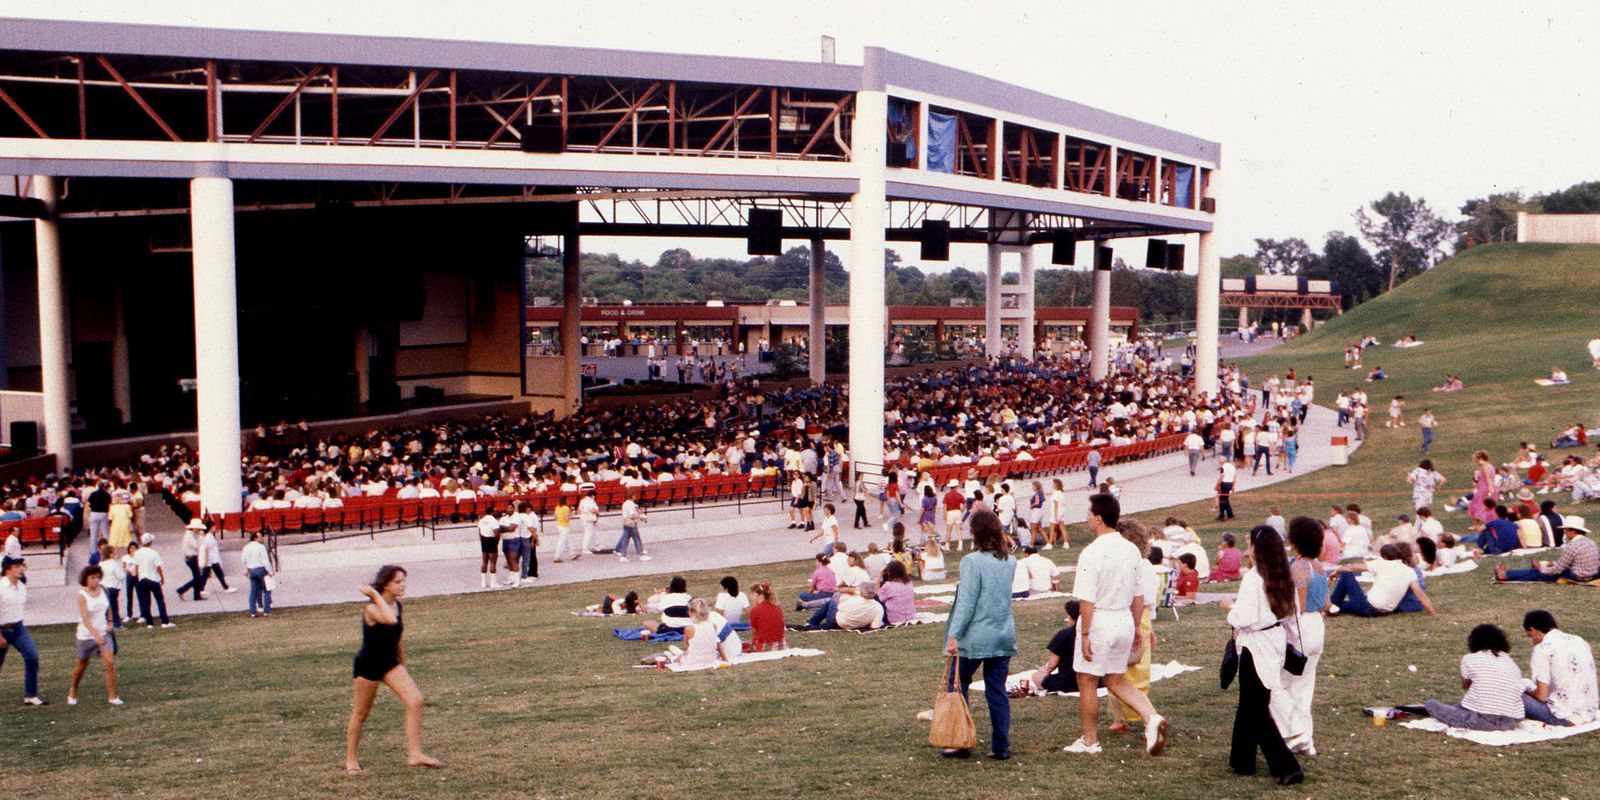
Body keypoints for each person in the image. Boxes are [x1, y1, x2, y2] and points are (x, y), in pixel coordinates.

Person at [1064, 494, 1168, 757]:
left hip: (1100, 620)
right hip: (1123, 619)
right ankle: (1151, 717)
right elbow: (1138, 596)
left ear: (1098, 518)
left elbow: (1086, 600)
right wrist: (1134, 628)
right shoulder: (1131, 549)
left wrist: (1085, 632)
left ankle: (1090, 741)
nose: (1087, 517)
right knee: (1115, 679)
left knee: (1086, 680)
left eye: (1089, 513)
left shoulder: (1091, 552)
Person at [1220, 526, 1302, 785]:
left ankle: (1287, 766)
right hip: (1273, 640)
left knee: (1257, 709)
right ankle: (1241, 759)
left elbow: (1244, 618)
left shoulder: (1254, 579)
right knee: (1249, 702)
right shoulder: (1282, 576)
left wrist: (1229, 608)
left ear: (1258, 548)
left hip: (1256, 646)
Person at [345, 565, 441, 774]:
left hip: (390, 662)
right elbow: (389, 620)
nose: (403, 585)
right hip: (368, 664)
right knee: (361, 713)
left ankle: (415, 754)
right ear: (386, 585)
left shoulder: (397, 605)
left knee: (415, 700)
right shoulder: (372, 608)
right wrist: (373, 594)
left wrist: (402, 661)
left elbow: (397, 635)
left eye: (404, 580)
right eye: (398, 582)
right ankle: (351, 759)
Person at [941, 511, 1017, 760]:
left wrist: (954, 635)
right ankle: (1000, 746)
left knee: (957, 684)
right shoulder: (1009, 561)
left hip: (976, 635)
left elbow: (967, 603)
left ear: (974, 532)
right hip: (1002, 632)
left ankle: (959, 740)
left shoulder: (972, 562)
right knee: (997, 690)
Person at [1271, 517, 1329, 757]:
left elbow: (1298, 607)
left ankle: (1293, 735)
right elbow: (1326, 603)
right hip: (1317, 625)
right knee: (1305, 686)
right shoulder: (1319, 566)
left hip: (1301, 627)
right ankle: (1307, 739)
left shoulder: (1299, 566)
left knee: (1284, 683)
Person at [1424, 624, 1526, 731]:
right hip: (1510, 722)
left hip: (1480, 720)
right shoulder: (1511, 663)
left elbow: (1465, 686)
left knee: (1431, 704)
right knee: (1459, 706)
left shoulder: (1470, 659)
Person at [1521, 610, 1599, 726]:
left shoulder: (1542, 649)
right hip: (1587, 713)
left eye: (1530, 636)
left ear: (1533, 630)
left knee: (1513, 692)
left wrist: (1528, 691)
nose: (1532, 641)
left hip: (1563, 716)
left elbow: (1541, 696)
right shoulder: (1579, 640)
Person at [1327, 544, 1438, 617]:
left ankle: (1331, 606)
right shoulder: (1410, 571)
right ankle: (1332, 606)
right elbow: (1420, 593)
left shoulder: (1382, 563)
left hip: (1367, 607)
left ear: (1384, 556)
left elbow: (1352, 567)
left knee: (1346, 575)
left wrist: (1337, 571)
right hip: (1381, 612)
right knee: (1342, 605)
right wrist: (1433, 612)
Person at [67, 565, 121, 706]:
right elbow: (85, 618)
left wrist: (110, 622)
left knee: (110, 663)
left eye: (97, 577)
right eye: (92, 578)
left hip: (104, 633)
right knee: (82, 665)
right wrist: (95, 635)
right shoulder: (82, 595)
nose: (95, 581)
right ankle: (73, 689)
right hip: (86, 635)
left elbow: (109, 607)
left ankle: (112, 696)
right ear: (85, 579)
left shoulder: (104, 590)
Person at [1495, 516, 1599, 583]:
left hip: (1576, 576)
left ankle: (1506, 575)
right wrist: (1550, 564)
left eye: (1566, 530)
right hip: (1590, 574)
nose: (1565, 532)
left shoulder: (1572, 545)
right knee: (1545, 568)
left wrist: (1542, 570)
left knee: (1536, 573)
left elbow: (1558, 569)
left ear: (1572, 530)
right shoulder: (1591, 543)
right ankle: (1509, 573)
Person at [0, 557, 45, 705]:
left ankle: (30, 695)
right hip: (2, 629)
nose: (21, 569)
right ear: (8, 569)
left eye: (22, 566)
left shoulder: (21, 586)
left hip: (18, 629)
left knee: (32, 656)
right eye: (17, 566)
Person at [1030, 600, 1083, 693]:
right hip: (1095, 679)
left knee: (1036, 676)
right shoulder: (1095, 633)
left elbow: (1052, 665)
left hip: (1069, 682)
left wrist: (1045, 671)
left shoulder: (1064, 635)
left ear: (1071, 617)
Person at [679, 598, 740, 667]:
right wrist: (725, 660)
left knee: (679, 658)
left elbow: (687, 644)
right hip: (712, 659)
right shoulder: (713, 626)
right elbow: (718, 645)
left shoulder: (689, 628)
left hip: (694, 660)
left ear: (690, 613)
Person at [132, 534, 174, 628]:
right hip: (153, 578)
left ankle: (149, 623)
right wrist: (162, 577)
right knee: (159, 600)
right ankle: (164, 621)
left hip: (142, 578)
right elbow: (158, 567)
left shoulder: (137, 553)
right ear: (150, 542)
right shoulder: (154, 553)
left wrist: (139, 577)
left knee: (146, 601)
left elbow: (136, 567)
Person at [175, 518, 208, 601]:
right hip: (191, 558)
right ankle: (182, 590)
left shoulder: (192, 535)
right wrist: (201, 537)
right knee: (197, 578)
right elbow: (197, 545)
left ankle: (196, 595)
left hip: (193, 558)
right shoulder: (189, 536)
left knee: (197, 577)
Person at [242, 531, 274, 617]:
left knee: (253, 590)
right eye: (260, 537)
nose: (262, 538)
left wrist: (246, 569)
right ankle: (266, 610)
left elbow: (244, 560)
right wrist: (270, 571)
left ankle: (253, 611)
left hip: (251, 569)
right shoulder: (261, 547)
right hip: (260, 569)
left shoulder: (246, 547)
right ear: (256, 538)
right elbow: (265, 560)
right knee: (267, 589)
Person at [746, 582, 786, 652]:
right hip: (781, 645)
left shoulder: (754, 611)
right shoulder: (778, 607)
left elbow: (754, 633)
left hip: (765, 646)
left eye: (753, 595)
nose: (751, 597)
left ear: (761, 596)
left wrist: (752, 646)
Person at [877, 559, 916, 625]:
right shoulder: (909, 583)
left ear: (889, 572)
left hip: (894, 618)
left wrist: (879, 576)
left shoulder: (888, 585)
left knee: (874, 598)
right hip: (910, 616)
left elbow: (878, 596)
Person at [615, 491, 650, 562]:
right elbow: (632, 515)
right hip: (632, 523)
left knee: (625, 539)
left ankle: (623, 556)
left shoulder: (624, 504)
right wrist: (640, 517)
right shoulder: (632, 505)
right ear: (633, 496)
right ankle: (641, 554)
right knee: (637, 538)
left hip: (625, 522)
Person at [1468, 450, 1497, 525]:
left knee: (1479, 505)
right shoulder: (1489, 466)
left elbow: (1488, 478)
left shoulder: (1484, 466)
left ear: (1480, 458)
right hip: (1487, 487)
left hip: (1484, 489)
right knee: (1487, 506)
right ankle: (1489, 522)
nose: (1476, 460)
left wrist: (1490, 489)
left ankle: (1476, 524)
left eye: (1476, 458)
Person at [1215, 456, 1236, 521]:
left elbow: (1221, 477)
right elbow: (1234, 477)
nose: (1218, 461)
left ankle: (1230, 515)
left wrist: (1217, 485)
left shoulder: (1223, 467)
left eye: (1219, 460)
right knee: (1222, 500)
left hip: (1224, 484)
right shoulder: (1232, 467)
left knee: (1224, 500)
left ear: (1222, 461)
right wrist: (1233, 486)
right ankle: (1221, 515)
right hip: (1230, 484)